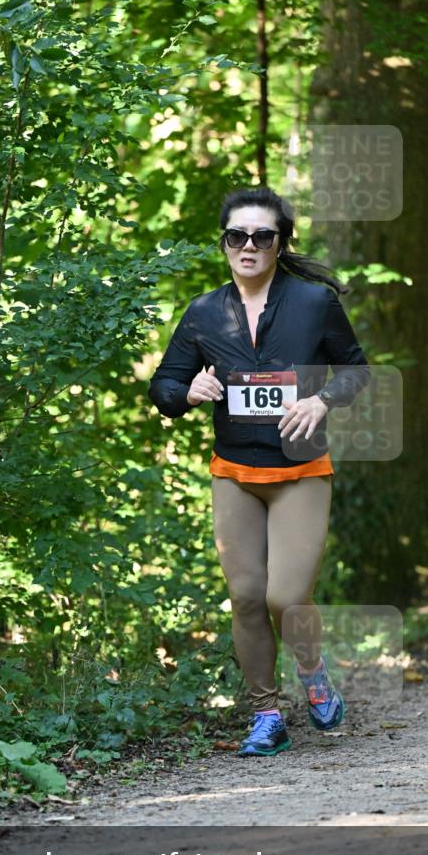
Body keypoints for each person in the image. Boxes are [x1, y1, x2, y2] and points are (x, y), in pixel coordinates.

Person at [148, 186, 370, 756]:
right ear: (224, 243)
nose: (248, 245)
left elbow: (355, 370)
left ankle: (313, 671)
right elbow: (164, 386)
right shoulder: (203, 312)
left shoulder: (314, 303)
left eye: (262, 236)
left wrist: (322, 401)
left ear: (279, 243)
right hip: (234, 472)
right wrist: (186, 389)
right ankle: (265, 713)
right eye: (237, 236)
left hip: (300, 470)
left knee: (286, 596)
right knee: (246, 596)